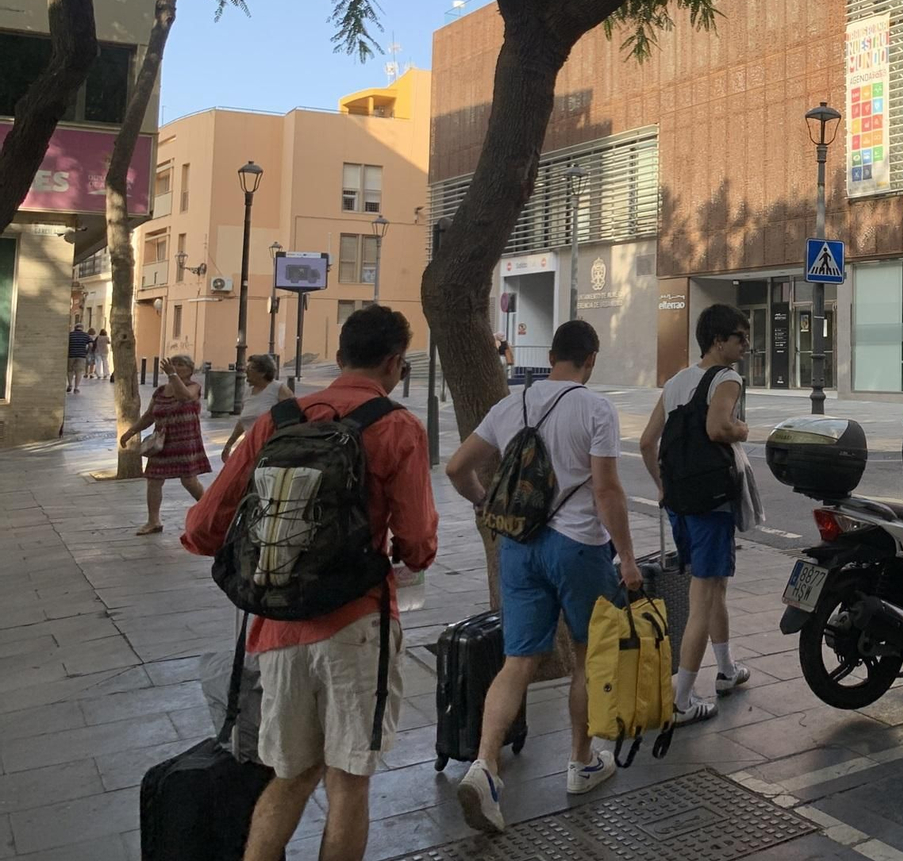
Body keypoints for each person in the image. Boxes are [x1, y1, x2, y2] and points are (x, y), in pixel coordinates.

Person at [182, 305, 438, 861]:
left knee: (291, 774)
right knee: (348, 782)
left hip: (276, 631)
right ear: (395, 364)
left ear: (341, 356)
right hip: (357, 627)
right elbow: (418, 542)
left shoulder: (278, 420)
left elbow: (202, 530)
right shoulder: (397, 428)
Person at [445, 319, 641, 832]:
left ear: (552, 355)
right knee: (586, 657)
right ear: (590, 359)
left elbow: (456, 467)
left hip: (519, 547)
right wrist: (627, 555)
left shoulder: (512, 404)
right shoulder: (595, 408)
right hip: (579, 549)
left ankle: (485, 767)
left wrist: (486, 503)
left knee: (518, 662)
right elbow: (606, 491)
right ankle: (581, 762)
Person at [639, 303, 752, 727]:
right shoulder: (727, 378)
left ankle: (726, 670)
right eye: (740, 337)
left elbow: (647, 442)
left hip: (681, 503)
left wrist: (662, 487)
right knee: (703, 597)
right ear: (719, 341)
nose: (745, 345)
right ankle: (681, 699)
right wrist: (742, 429)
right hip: (712, 502)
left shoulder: (676, 382)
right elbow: (718, 428)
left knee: (714, 584)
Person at [121, 355, 211, 535]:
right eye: (174, 364)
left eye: (181, 365)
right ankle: (153, 521)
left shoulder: (194, 387)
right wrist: (130, 432)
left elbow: (185, 396)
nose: (176, 367)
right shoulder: (160, 391)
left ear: (190, 370)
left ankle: (210, 510)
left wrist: (172, 375)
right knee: (154, 479)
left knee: (188, 480)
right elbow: (149, 416)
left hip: (185, 440)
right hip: (161, 442)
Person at [222, 354, 292, 460]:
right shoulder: (248, 392)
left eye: (251, 368)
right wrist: (229, 444)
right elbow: (243, 421)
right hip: (250, 446)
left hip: (272, 447)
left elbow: (294, 417)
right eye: (247, 367)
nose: (246, 371)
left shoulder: (278, 389)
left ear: (263, 373)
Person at [66, 322, 91, 393]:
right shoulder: (86, 335)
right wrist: (86, 352)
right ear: (82, 328)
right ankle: (76, 388)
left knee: (70, 370)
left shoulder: (70, 335)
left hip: (71, 355)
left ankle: (70, 384)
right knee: (79, 372)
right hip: (81, 356)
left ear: (75, 328)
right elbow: (91, 345)